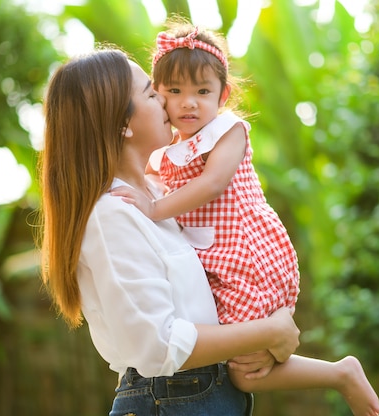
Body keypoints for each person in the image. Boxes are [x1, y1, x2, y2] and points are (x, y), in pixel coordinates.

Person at [110, 21, 379, 416]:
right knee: (242, 362)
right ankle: (328, 369)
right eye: (174, 92)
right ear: (158, 95)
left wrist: (152, 208)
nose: (188, 103)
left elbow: (213, 183)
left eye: (202, 92)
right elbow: (153, 178)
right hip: (216, 259)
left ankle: (341, 373)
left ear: (224, 94)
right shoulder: (169, 148)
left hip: (246, 252)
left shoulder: (227, 129)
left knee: (242, 371)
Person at [37, 46, 303, 416]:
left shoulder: (161, 196)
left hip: (203, 395)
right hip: (169, 399)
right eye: (152, 92)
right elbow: (159, 346)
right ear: (122, 124)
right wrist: (269, 332)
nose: (168, 103)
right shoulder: (111, 214)